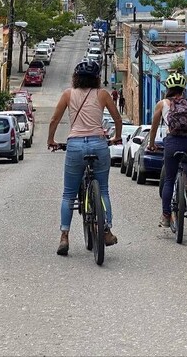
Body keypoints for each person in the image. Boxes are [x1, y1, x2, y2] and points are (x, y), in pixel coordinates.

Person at [48, 60, 122, 256]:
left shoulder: (68, 94)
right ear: (97, 78)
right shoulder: (103, 94)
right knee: (103, 189)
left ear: (76, 78)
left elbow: (54, 119)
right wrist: (116, 137)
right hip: (99, 144)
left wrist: (51, 140)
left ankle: (64, 236)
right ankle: (106, 230)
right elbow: (117, 118)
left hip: (75, 146)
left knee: (68, 195)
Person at [147, 73, 187, 228]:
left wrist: (151, 144)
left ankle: (166, 216)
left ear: (168, 88)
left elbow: (153, 129)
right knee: (186, 158)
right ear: (183, 89)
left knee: (169, 179)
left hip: (172, 143)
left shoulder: (162, 104)